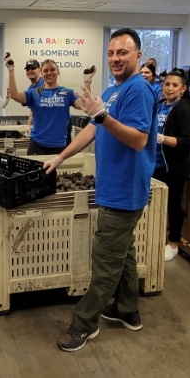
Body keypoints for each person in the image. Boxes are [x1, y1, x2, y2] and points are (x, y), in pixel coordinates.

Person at [42, 28, 157, 352]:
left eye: (123, 52)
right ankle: (128, 311)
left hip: (124, 191)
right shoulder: (114, 90)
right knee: (124, 254)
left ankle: (83, 324)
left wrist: (102, 115)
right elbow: (92, 128)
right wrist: (61, 156)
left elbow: (138, 139)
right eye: (111, 53)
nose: (116, 58)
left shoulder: (139, 90)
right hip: (114, 188)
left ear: (138, 55)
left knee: (106, 263)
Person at [153, 68, 190, 261]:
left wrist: (162, 138)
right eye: (167, 84)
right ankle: (154, 239)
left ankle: (173, 244)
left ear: (183, 89)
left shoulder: (186, 110)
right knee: (156, 205)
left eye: (174, 85)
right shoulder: (160, 105)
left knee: (173, 205)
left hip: (173, 167)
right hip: (154, 164)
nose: (169, 89)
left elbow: (188, 141)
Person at [7, 58, 83, 155]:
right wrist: (11, 70)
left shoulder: (67, 92)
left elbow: (82, 105)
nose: (49, 73)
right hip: (37, 144)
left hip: (59, 145)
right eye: (45, 71)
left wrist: (87, 82)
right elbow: (14, 95)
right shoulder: (34, 93)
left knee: (56, 171)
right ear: (42, 74)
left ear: (58, 71)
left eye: (52, 69)